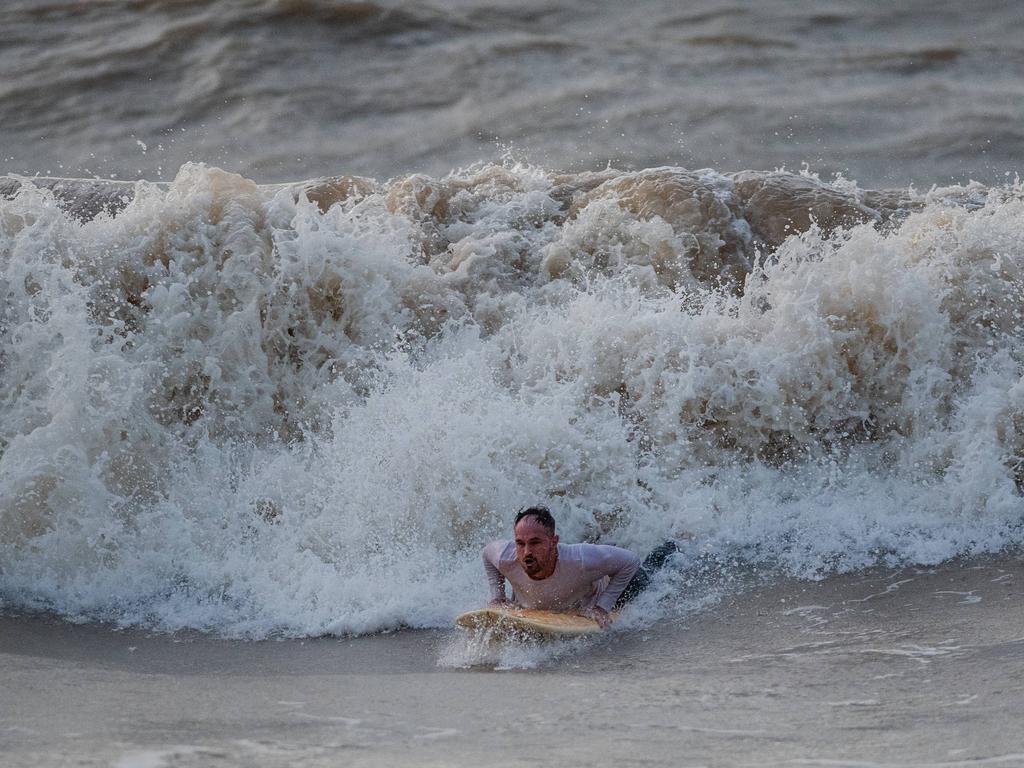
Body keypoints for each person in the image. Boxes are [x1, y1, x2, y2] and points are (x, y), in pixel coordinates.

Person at [482, 506, 676, 628]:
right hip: (584, 581)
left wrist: (603, 606)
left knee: (652, 573)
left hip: (618, 587)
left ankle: (673, 543)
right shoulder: (505, 556)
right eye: (520, 543)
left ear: (554, 541)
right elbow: (486, 554)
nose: (526, 552)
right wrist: (498, 597)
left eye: (535, 543)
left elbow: (630, 561)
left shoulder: (579, 559)